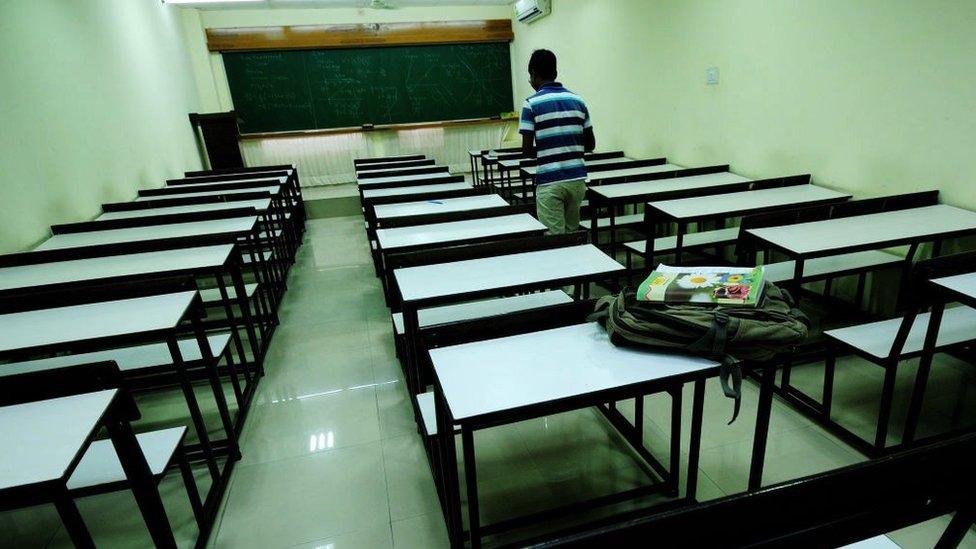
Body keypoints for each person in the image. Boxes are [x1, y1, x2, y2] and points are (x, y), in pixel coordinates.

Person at [518, 49, 596, 234]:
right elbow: (591, 144)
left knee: (555, 240)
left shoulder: (530, 104)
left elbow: (526, 151)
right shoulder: (578, 101)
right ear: (555, 72)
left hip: (550, 182)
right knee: (572, 233)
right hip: (577, 180)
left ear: (533, 74)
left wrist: (549, 148)